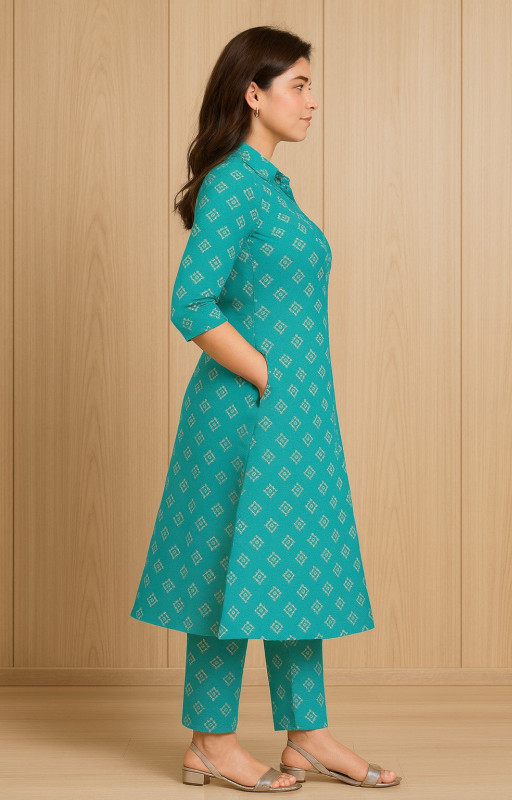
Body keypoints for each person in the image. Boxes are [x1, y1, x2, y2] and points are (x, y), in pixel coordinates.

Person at [130, 25, 401, 792]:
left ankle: (306, 736)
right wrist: (269, 377)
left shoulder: (270, 186)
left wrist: (292, 395)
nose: (312, 101)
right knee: (226, 568)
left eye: (311, 86)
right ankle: (210, 740)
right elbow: (191, 303)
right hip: (247, 414)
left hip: (296, 419)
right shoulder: (231, 184)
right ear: (253, 93)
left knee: (296, 567)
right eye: (298, 86)